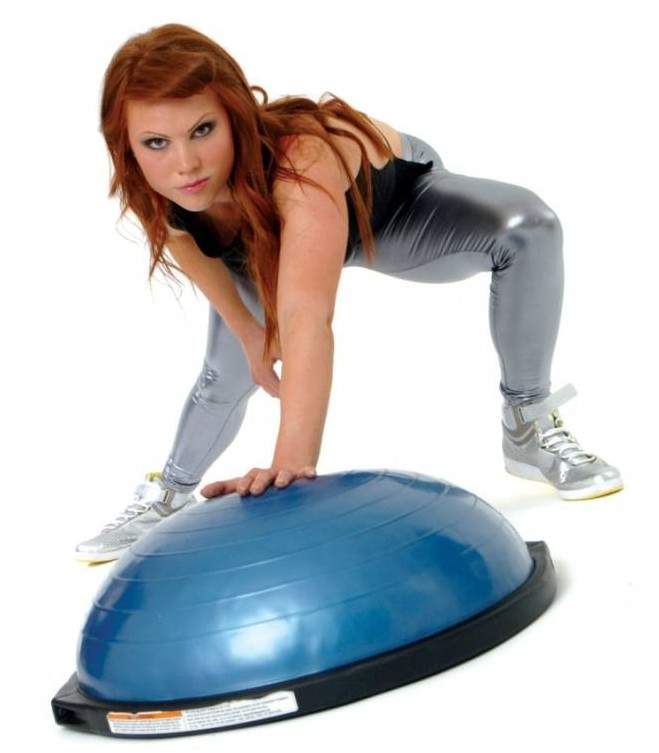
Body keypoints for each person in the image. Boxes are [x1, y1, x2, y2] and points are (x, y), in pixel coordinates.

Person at [75, 23, 623, 563]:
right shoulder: (156, 184)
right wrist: (247, 332)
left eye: (202, 130)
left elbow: (306, 315)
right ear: (128, 146)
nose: (185, 164)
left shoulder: (301, 159)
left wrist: (291, 466)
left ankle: (527, 426)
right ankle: (168, 496)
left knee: (528, 229)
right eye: (156, 142)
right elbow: (190, 247)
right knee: (228, 369)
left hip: (389, 211)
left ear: (236, 114)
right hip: (267, 238)